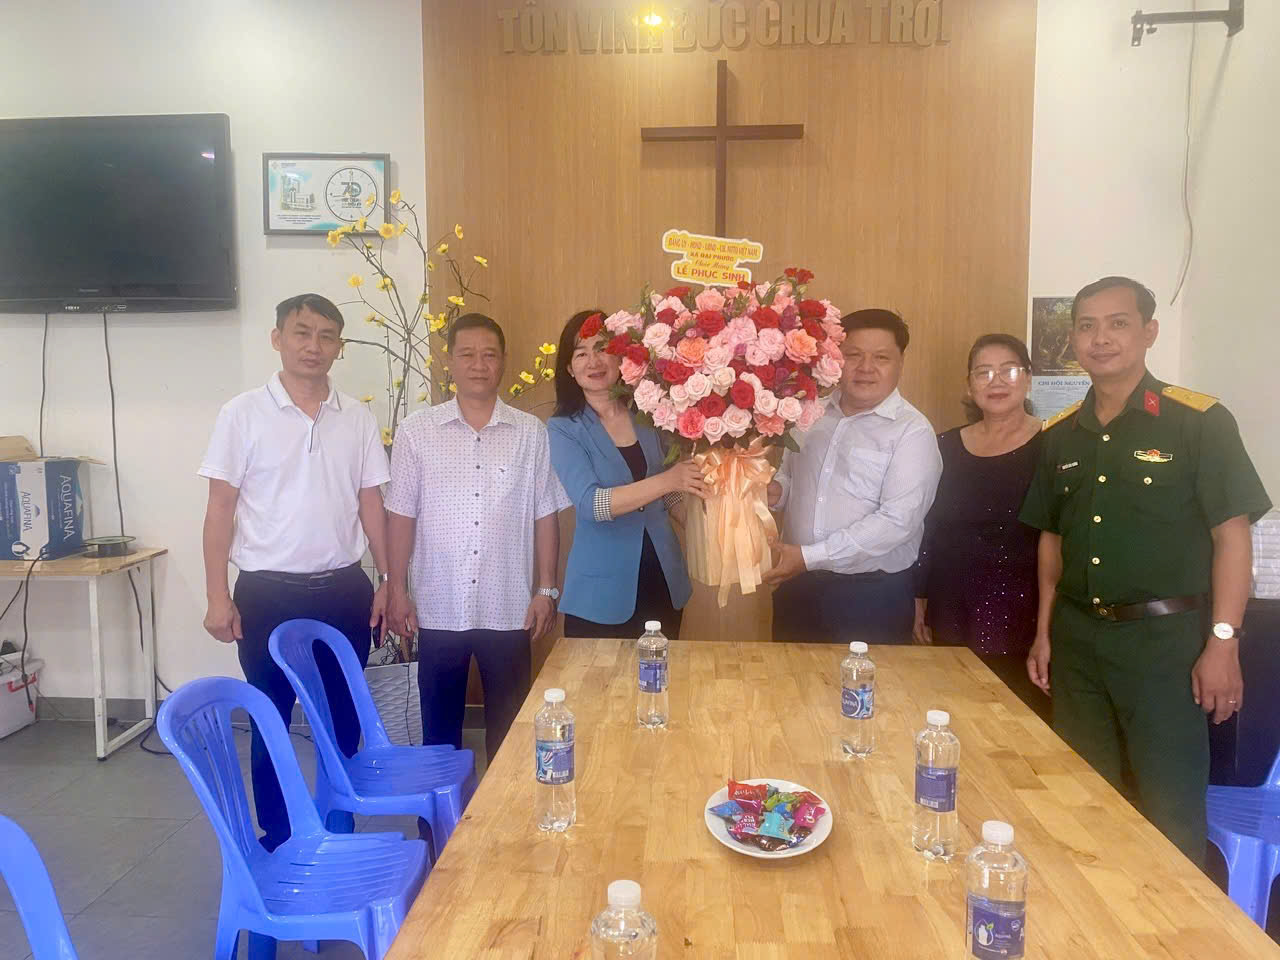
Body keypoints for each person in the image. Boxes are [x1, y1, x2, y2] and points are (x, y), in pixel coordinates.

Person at [1019, 276, 1271, 864]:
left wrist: (1224, 643)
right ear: (1073, 340)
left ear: (1149, 332)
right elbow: (1052, 542)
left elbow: (1232, 537)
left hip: (1167, 647)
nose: (1100, 338)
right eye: (1086, 326)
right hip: (1078, 642)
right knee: (1079, 803)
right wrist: (1044, 632)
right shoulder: (1060, 435)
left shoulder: (1198, 421)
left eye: (1118, 323)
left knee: (1168, 811)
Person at [199, 293, 391, 852]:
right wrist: (217, 595)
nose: (314, 346)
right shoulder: (242, 414)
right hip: (266, 593)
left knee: (343, 717)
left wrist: (388, 581)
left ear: (339, 346)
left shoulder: (356, 417)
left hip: (344, 589)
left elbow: (371, 504)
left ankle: (339, 821)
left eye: (327, 336)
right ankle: (280, 838)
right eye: (302, 333)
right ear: (277, 338)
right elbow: (220, 508)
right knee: (270, 716)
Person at [384, 313, 570, 764]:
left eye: (489, 355)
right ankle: (443, 811)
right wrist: (396, 590)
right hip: (437, 605)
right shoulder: (416, 431)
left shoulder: (530, 432)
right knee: (439, 736)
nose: (479, 365)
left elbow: (545, 513)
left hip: (508, 606)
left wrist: (546, 589)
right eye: (467, 354)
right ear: (449, 361)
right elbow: (401, 515)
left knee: (510, 733)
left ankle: (507, 808)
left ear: (503, 361)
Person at [765, 308, 943, 644]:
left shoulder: (912, 432)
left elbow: (897, 522)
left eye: (881, 357)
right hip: (795, 585)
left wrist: (808, 557)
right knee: (789, 677)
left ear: (900, 363)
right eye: (853, 355)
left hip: (870, 596)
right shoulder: (809, 413)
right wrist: (774, 492)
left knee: (865, 680)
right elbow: (790, 479)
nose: (866, 368)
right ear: (836, 359)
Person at [913, 334, 1047, 721]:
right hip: (950, 604)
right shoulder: (943, 446)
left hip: (1024, 612)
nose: (996, 381)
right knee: (953, 714)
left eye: (1009, 370)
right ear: (969, 386)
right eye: (983, 372)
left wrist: (1049, 628)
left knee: (1014, 724)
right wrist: (918, 599)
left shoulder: (1054, 444)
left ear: (1028, 378)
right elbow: (928, 528)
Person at [547, 310, 702, 639]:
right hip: (599, 597)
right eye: (580, 353)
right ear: (569, 368)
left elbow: (670, 494)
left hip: (663, 582)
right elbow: (592, 504)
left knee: (660, 673)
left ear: (620, 357)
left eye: (602, 348)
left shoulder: (649, 414)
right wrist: (669, 480)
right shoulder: (563, 428)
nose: (593, 361)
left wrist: (707, 529)